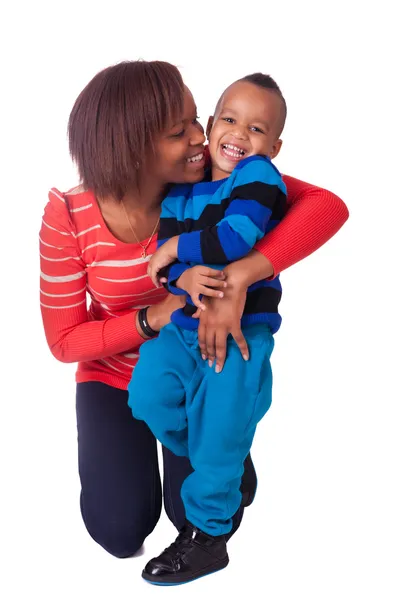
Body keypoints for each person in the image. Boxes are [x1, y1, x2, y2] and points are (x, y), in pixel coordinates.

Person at [39, 60, 349, 562]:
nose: (201, 138)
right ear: (133, 148)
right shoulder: (69, 215)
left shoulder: (216, 175)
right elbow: (63, 342)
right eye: (179, 130)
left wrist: (239, 279)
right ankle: (214, 446)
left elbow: (326, 206)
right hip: (116, 373)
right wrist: (154, 316)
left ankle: (221, 447)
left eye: (197, 120)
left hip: (202, 360)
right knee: (119, 532)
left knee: (199, 512)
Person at [128, 73, 292, 585]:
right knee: (148, 394)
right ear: (211, 124)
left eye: (258, 128)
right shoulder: (181, 196)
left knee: (221, 424)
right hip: (184, 327)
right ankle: (226, 461)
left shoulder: (260, 178)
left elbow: (237, 237)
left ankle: (208, 537)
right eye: (230, 119)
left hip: (244, 332)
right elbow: (166, 272)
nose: (240, 134)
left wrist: (177, 251)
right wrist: (180, 269)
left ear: (275, 146)